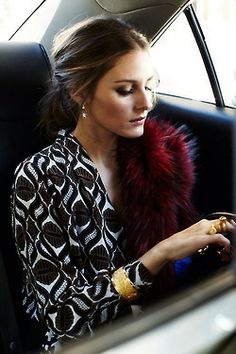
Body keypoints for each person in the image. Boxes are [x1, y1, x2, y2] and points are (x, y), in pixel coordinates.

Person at [11, 16, 235, 353]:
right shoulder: (40, 177)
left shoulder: (160, 156)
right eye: (125, 89)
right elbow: (62, 317)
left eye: (149, 84)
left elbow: (177, 257)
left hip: (164, 322)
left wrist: (209, 239)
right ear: (79, 92)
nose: (146, 102)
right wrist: (157, 256)